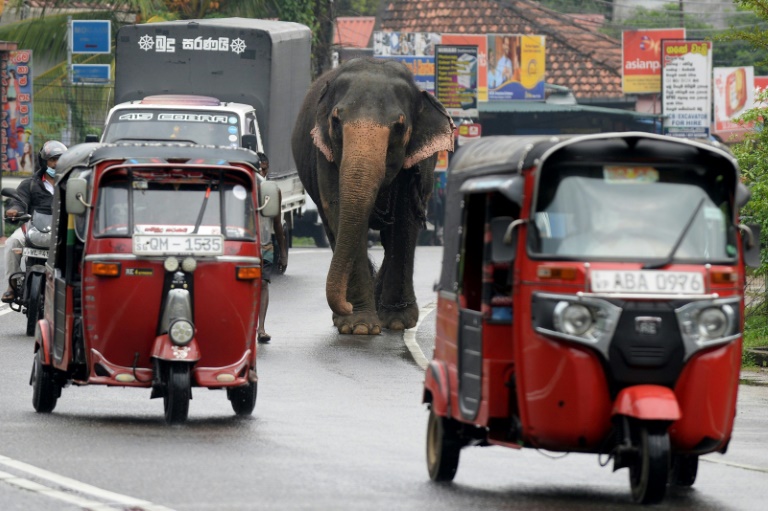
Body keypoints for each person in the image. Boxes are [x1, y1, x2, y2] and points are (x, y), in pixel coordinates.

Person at [2, 140, 67, 303]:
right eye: (52, 159)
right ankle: (12, 285)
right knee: (13, 242)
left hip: (63, 229)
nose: (56, 163)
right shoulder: (30, 184)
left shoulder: (72, 184)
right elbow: (19, 200)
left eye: (60, 158)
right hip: (33, 227)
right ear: (44, 162)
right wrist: (14, 210)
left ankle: (72, 287)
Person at [256, 152, 287, 343]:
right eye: (258, 168)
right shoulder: (240, 186)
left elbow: (277, 223)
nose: (261, 172)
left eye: (264, 169)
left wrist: (283, 252)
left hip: (265, 244)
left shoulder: (273, 191)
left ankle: (261, 328)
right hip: (244, 244)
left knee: (263, 284)